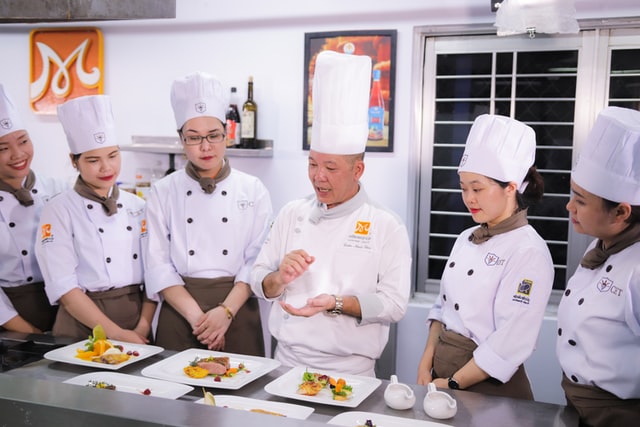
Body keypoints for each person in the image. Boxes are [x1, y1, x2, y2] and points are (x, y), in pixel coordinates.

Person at [250, 51, 411, 377]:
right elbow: (257, 280)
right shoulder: (291, 213)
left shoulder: (386, 225)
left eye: (331, 168)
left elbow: (394, 305)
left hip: (351, 373)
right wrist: (279, 277)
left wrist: (337, 303)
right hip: (286, 365)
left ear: (358, 170)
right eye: (312, 164)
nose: (318, 176)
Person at [416, 114, 554, 399]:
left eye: (477, 188)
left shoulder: (528, 251)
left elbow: (511, 340)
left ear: (510, 187)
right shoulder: (465, 238)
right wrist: (425, 363)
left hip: (487, 387)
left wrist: (454, 383)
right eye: (463, 188)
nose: (469, 198)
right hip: (442, 377)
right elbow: (442, 307)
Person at [143, 71, 272, 355]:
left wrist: (225, 313)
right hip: (180, 314)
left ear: (227, 133)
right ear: (181, 139)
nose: (205, 146)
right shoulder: (163, 191)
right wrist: (198, 320)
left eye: (214, 135)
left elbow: (257, 261)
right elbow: (158, 265)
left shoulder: (253, 189)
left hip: (238, 311)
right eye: (194, 138)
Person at [35, 95, 156, 343]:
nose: (106, 167)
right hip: (82, 323)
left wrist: (143, 327)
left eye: (113, 155)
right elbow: (64, 287)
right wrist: (117, 334)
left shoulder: (138, 206)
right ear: (74, 161)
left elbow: (156, 271)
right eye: (93, 160)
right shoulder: (58, 210)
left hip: (136, 320)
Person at [557, 106, 640, 426]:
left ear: (620, 213)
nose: (569, 206)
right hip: (577, 407)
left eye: (580, 200)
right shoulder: (599, 246)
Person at [0, 84, 68, 334]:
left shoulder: (58, 189)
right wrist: (26, 333)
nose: (18, 154)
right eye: (2, 148)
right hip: (8, 317)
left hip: (65, 308)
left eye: (23, 141)